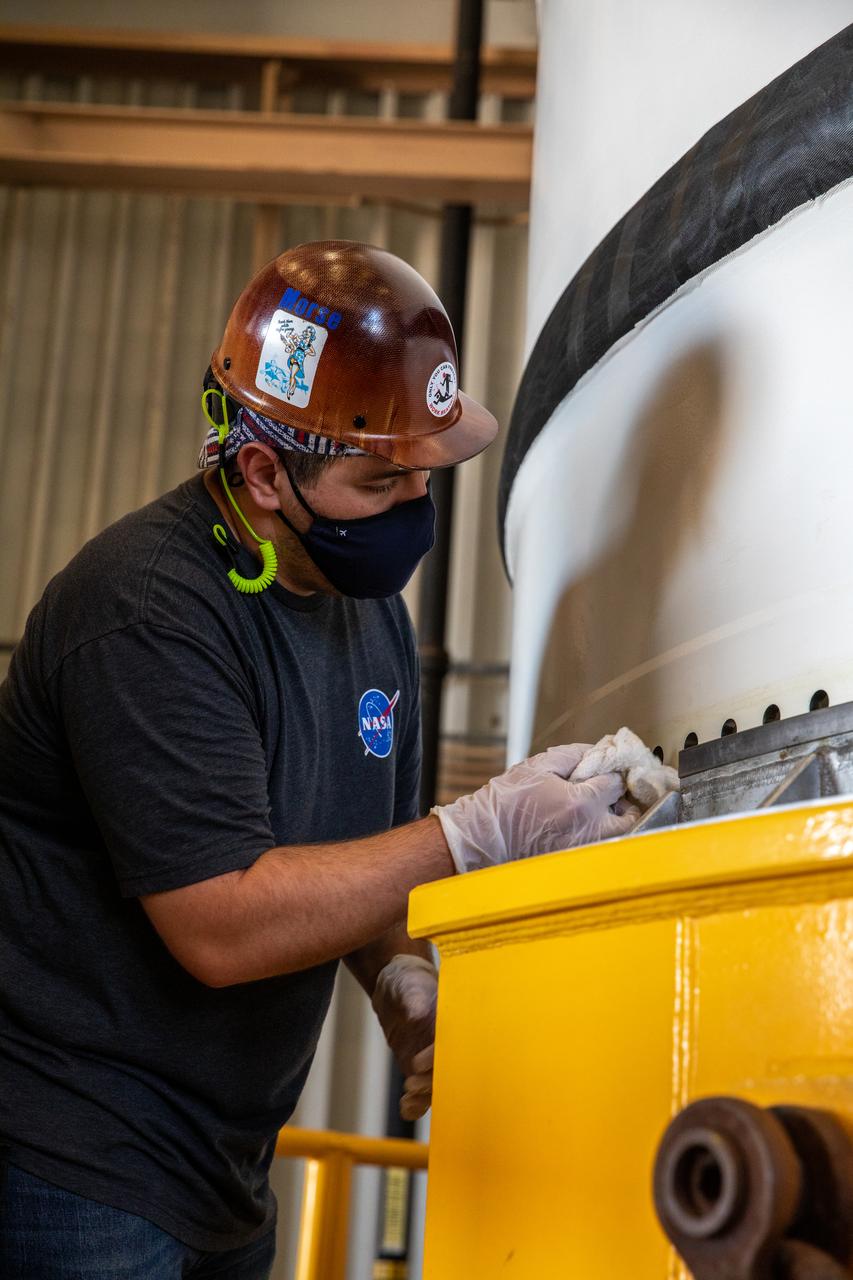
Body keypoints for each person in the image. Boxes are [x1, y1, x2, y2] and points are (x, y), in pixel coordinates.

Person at [0, 241, 637, 1279]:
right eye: (380, 477)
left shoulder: (365, 611)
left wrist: (400, 978)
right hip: (74, 1156)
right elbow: (223, 919)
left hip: (221, 1163)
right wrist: (471, 833)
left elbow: (351, 859)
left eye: (423, 473)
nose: (413, 508)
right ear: (260, 471)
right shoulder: (148, 614)